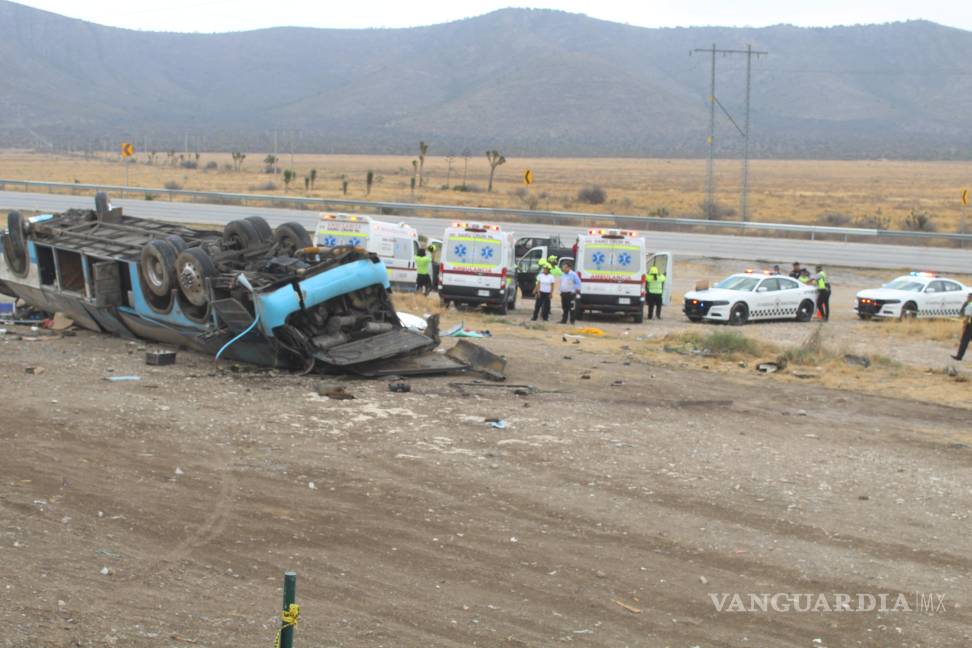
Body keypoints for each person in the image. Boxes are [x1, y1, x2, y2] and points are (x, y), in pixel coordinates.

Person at [951, 292, 972, 361]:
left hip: (970, 327)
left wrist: (964, 327)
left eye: (968, 297)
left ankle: (959, 356)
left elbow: (967, 318)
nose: (967, 298)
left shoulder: (969, 305)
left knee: (964, 342)